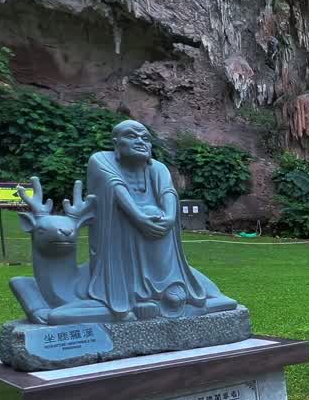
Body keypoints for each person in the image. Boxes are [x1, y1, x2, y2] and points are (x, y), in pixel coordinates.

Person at [85, 120, 236, 320]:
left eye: (145, 138)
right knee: (141, 214)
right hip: (121, 234)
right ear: (116, 143)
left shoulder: (158, 168)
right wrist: (139, 217)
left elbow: (168, 193)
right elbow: (114, 187)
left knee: (156, 216)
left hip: (158, 228)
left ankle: (171, 285)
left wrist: (169, 218)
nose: (140, 141)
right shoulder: (101, 160)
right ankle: (135, 292)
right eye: (131, 136)